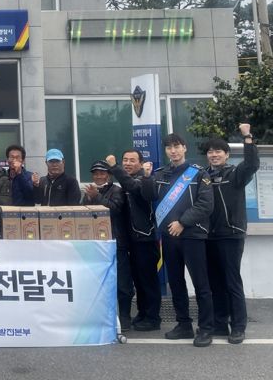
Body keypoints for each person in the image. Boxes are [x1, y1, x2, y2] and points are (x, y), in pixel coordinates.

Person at [135, 133, 214, 347]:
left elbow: (205, 205)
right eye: (169, 147)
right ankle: (184, 324)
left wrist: (183, 222)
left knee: (201, 284)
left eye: (177, 146)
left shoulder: (198, 174)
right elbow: (149, 197)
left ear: (185, 148)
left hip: (193, 235)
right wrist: (147, 177)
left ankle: (206, 328)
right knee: (176, 283)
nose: (173, 151)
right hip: (169, 238)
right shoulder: (161, 173)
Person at [205, 124, 259, 345]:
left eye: (218, 151)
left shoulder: (235, 174)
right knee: (214, 282)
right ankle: (219, 322)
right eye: (210, 151)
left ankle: (238, 326)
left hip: (231, 235)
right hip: (208, 236)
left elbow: (252, 164)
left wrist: (247, 137)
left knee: (231, 281)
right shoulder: (202, 177)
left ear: (226, 155)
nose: (214, 154)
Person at [106, 150, 162, 332]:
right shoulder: (124, 183)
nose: (128, 163)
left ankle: (153, 318)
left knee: (148, 280)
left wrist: (114, 167)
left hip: (145, 238)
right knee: (138, 280)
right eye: (125, 160)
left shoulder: (143, 179)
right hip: (130, 239)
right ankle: (143, 313)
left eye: (132, 160)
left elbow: (135, 189)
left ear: (141, 163)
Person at [83, 159, 133, 330]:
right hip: (96, 243)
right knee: (99, 282)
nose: (98, 176)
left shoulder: (117, 190)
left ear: (109, 174)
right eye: (95, 173)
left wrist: (96, 197)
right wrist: (89, 199)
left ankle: (125, 317)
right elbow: (84, 215)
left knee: (122, 282)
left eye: (102, 172)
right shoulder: (89, 191)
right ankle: (102, 316)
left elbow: (115, 209)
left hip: (116, 242)